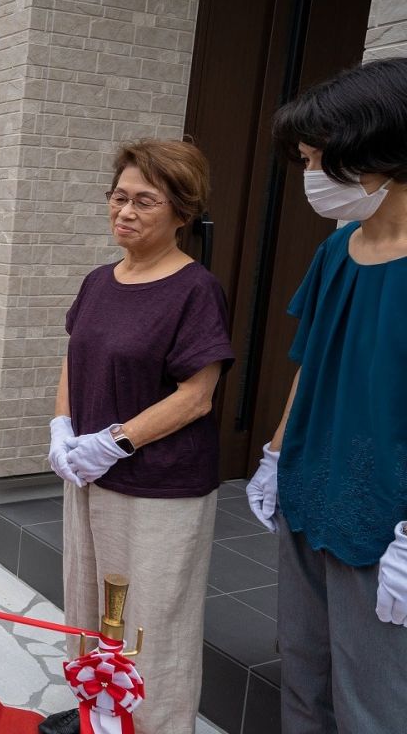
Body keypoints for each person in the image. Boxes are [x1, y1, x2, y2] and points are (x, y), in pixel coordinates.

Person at [45, 140, 235, 734]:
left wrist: (115, 441)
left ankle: (150, 726)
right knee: (87, 607)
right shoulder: (100, 280)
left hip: (158, 486)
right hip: (90, 476)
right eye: (119, 197)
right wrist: (63, 429)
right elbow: (73, 361)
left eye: (144, 201)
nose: (124, 211)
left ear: (182, 212)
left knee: (152, 625)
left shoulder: (194, 290)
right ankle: (94, 713)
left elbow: (196, 395)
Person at [246, 58, 407, 733]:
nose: (311, 175)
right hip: (311, 491)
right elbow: (310, 364)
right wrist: (276, 457)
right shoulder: (337, 254)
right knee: (304, 673)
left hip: (386, 519)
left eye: (318, 159)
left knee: (374, 701)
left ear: (374, 156)